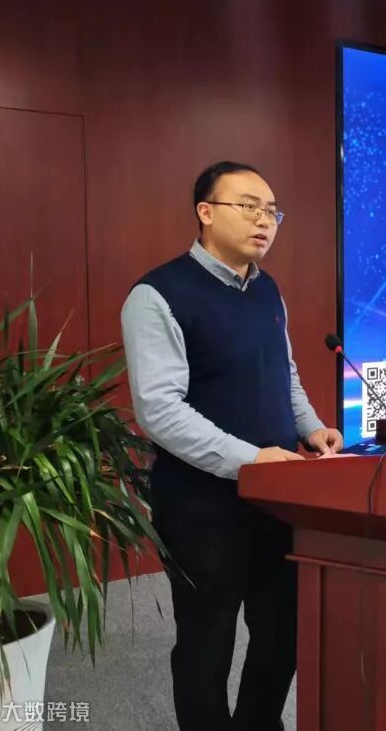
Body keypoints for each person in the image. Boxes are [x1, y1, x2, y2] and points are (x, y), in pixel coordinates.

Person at [120, 161, 343, 731]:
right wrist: (252, 459)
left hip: (279, 496)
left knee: (283, 630)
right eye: (248, 206)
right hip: (200, 505)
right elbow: (160, 411)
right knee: (207, 640)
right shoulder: (158, 295)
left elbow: (284, 374)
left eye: (272, 212)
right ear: (205, 212)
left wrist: (311, 428)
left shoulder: (267, 289)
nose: (264, 221)